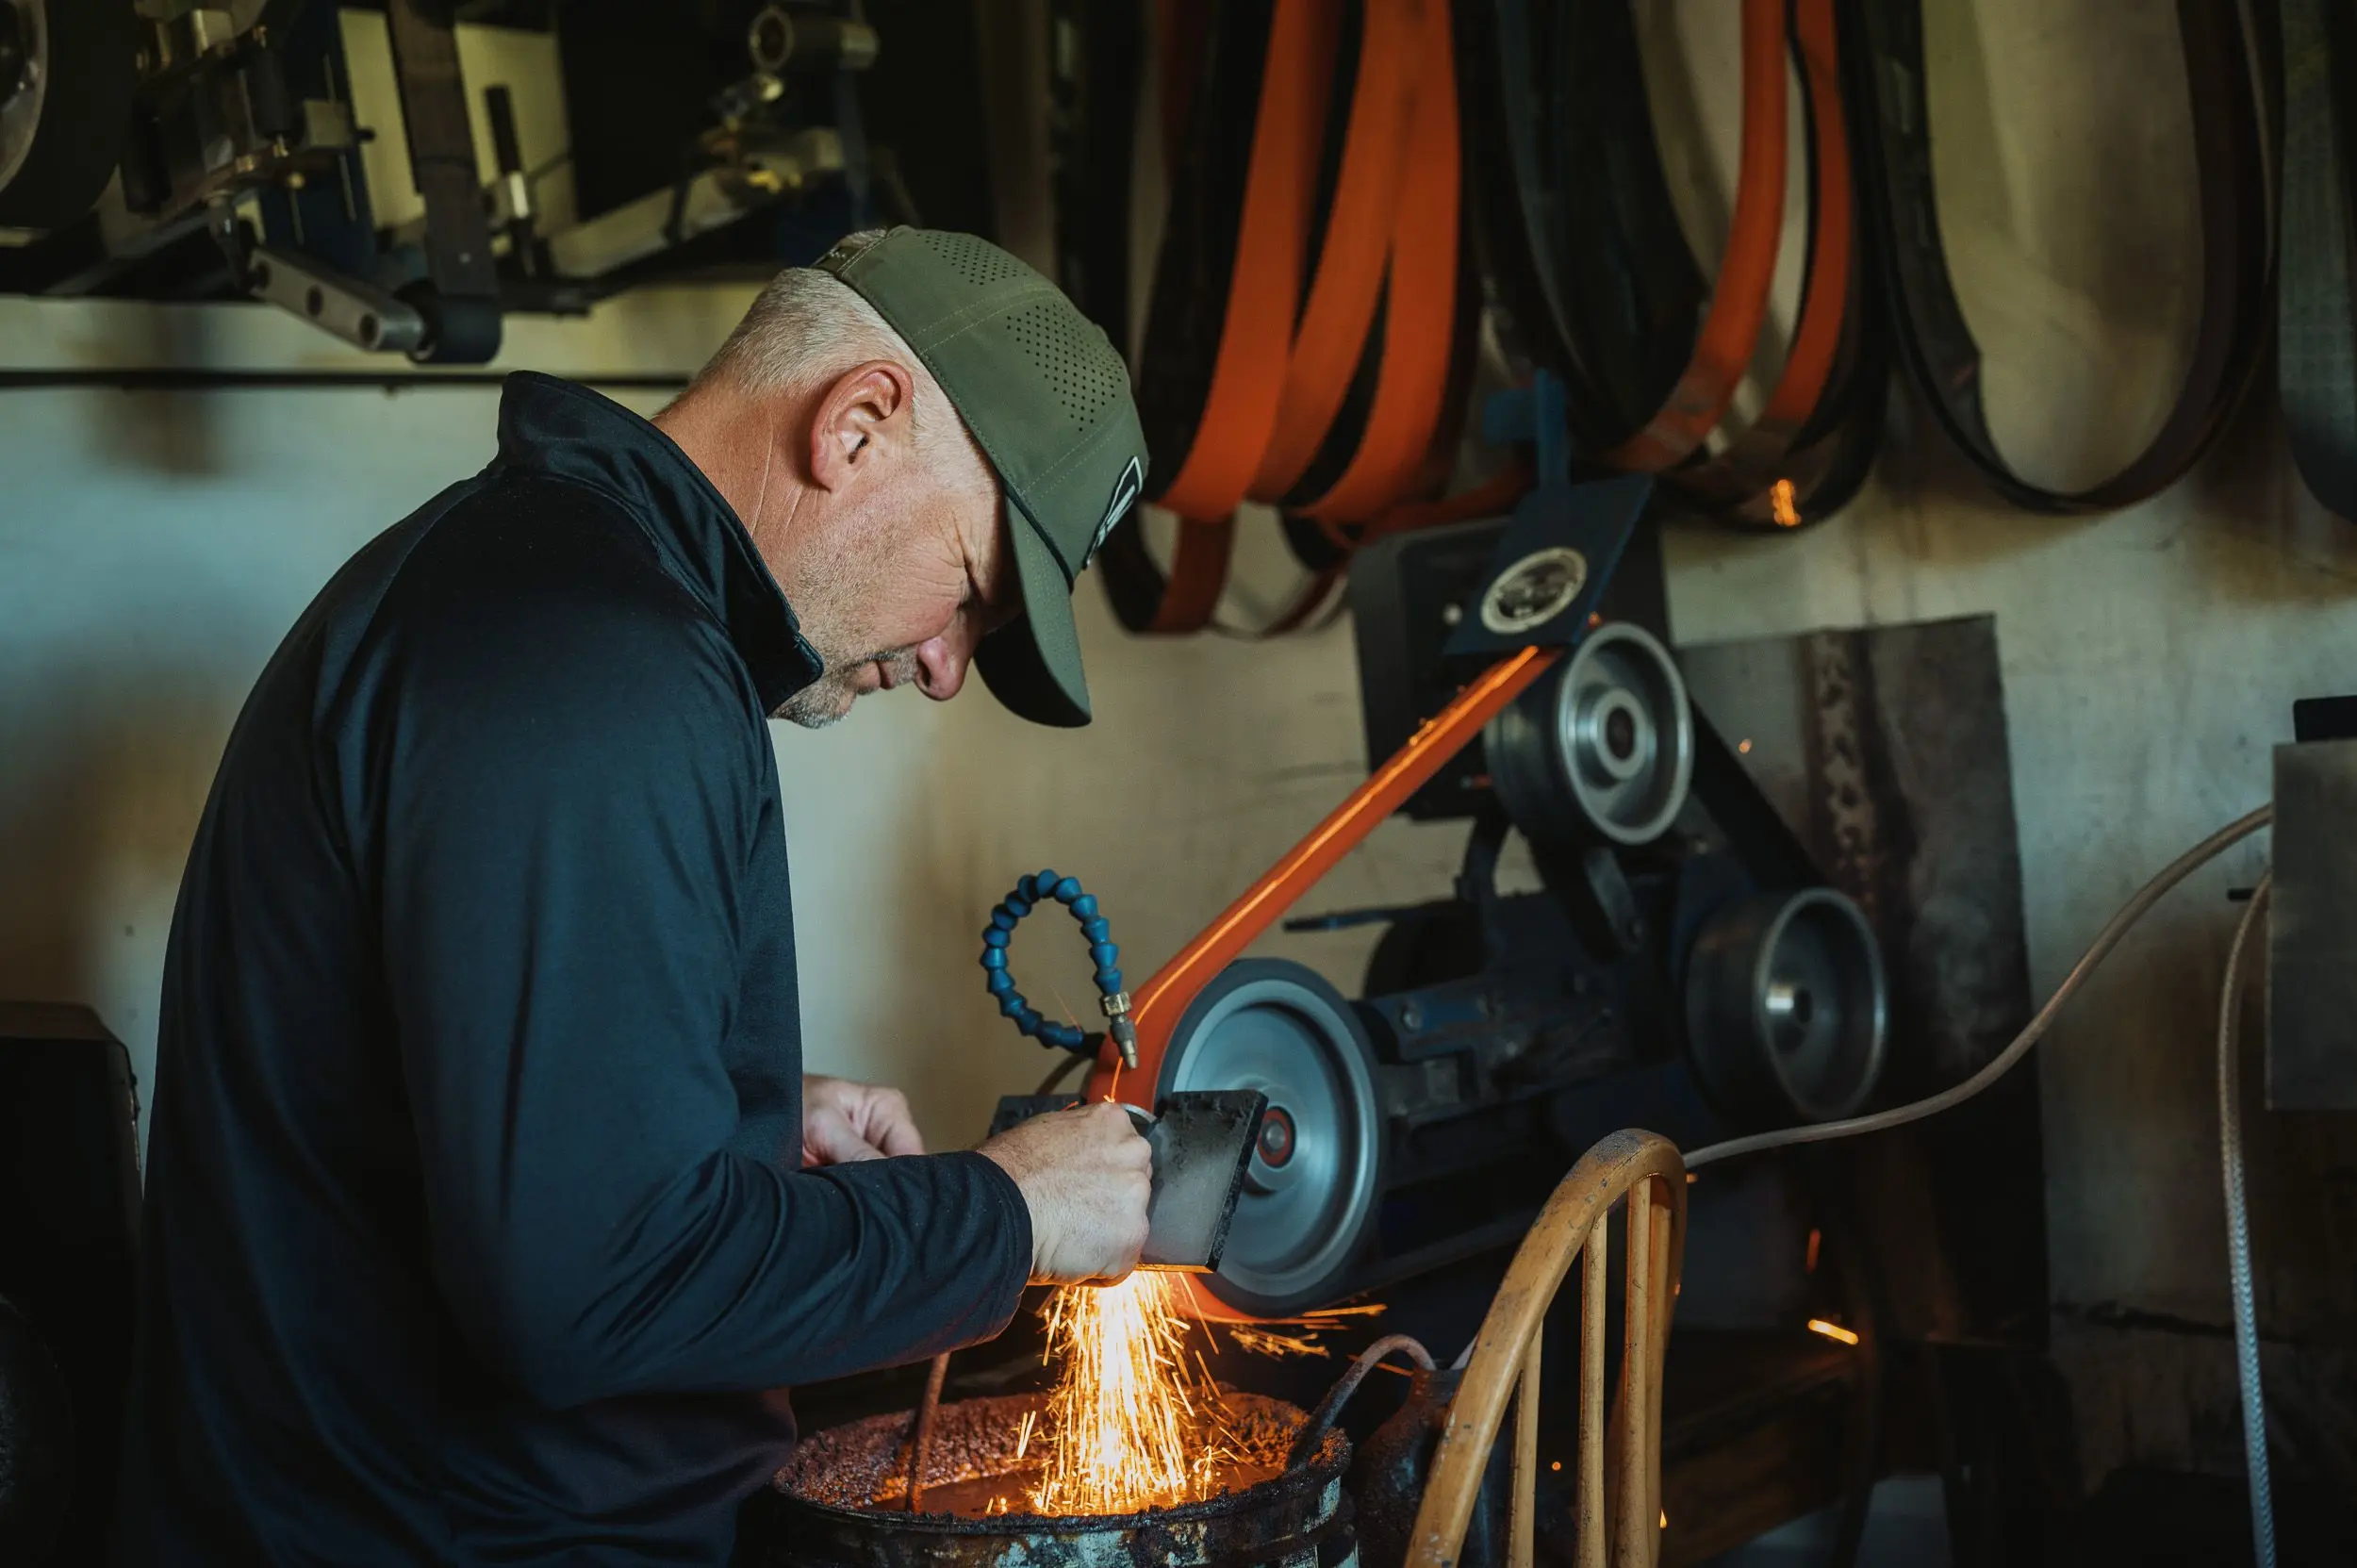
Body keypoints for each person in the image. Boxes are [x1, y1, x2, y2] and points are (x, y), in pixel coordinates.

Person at [119, 228, 1157, 1564]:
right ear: (857, 425)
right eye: (970, 589)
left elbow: (460, 1120)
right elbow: (590, 1284)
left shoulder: (535, 592)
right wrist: (1010, 1212)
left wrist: (725, 1118)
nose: (950, 667)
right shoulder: (599, 667)